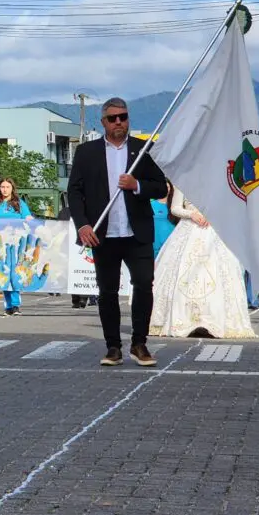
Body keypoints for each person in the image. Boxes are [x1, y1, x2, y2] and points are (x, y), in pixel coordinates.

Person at [67, 98, 167, 367]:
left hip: (137, 232)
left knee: (144, 284)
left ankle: (139, 343)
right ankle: (113, 347)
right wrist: (83, 224)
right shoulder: (86, 152)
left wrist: (137, 185)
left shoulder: (143, 149)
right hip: (104, 233)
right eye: (113, 118)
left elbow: (161, 188)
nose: (119, 122)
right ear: (103, 122)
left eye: (123, 117)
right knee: (107, 291)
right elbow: (74, 192)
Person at [150, 188, 256, 339]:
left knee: (217, 275)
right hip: (188, 231)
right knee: (184, 274)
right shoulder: (184, 180)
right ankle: (184, 320)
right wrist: (191, 214)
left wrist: (215, 215)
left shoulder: (218, 181)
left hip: (215, 233)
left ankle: (213, 321)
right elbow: (175, 208)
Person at [0, 177, 33, 316]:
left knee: (15, 273)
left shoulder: (19, 204)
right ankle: (8, 306)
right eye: (2, 187)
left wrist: (35, 223)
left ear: (12, 188)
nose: (5, 189)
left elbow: (28, 217)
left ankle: (16, 305)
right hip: (0, 243)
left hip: (16, 243)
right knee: (4, 273)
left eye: (7, 187)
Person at [152, 181, 178, 257]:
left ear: (171, 189)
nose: (166, 189)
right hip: (155, 245)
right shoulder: (151, 205)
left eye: (168, 187)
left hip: (172, 244)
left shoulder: (175, 207)